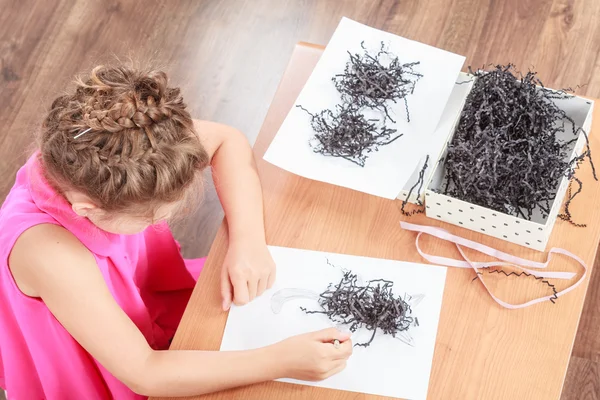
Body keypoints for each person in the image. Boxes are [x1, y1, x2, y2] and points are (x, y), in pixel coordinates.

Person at [0, 65, 352, 399]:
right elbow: (143, 370)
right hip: (102, 356)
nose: (159, 224)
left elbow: (226, 140)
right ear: (88, 210)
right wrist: (280, 361)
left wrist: (248, 241)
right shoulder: (50, 253)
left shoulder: (132, 139)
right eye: (152, 219)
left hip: (140, 301)